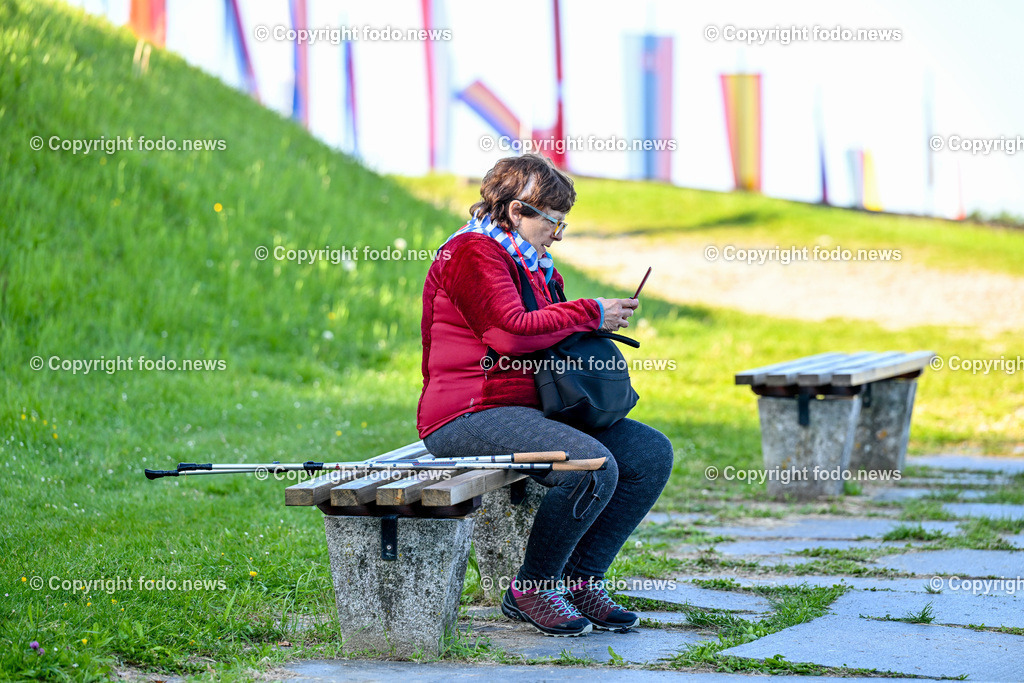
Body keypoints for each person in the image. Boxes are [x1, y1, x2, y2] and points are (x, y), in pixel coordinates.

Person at [417, 153, 673, 637]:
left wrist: (596, 320)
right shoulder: (471, 253)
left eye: (563, 223)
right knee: (591, 466)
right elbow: (509, 334)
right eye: (552, 220)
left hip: (525, 408)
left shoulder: (533, 263)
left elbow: (548, 332)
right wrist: (588, 311)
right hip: (466, 415)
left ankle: (580, 581)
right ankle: (532, 587)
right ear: (517, 211)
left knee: (649, 454)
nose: (557, 232)